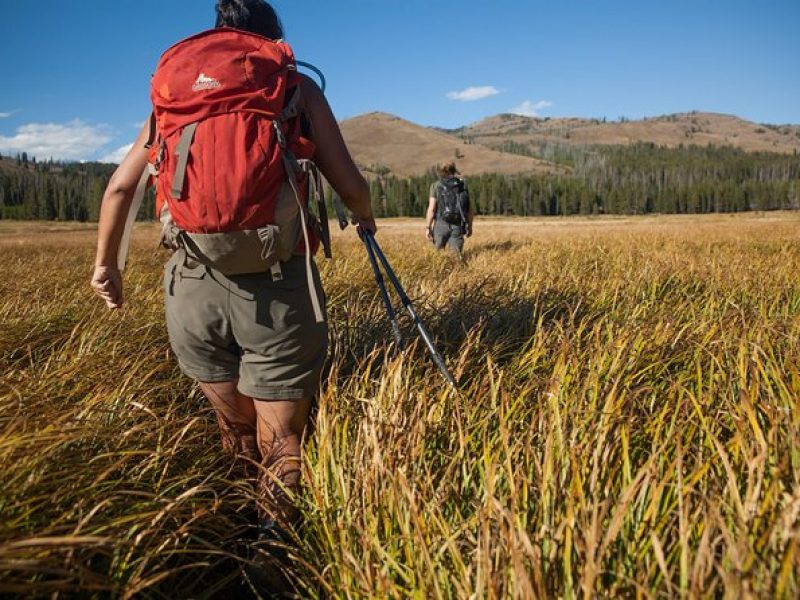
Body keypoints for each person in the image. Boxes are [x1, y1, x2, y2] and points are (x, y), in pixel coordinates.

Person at [90, 0, 375, 589]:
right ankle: (269, 567)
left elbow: (120, 188)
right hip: (276, 284)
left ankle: (229, 537)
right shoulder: (292, 86)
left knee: (236, 433)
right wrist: (365, 218)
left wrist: (105, 267)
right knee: (283, 440)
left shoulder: (175, 95)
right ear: (272, 40)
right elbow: (350, 184)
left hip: (190, 287)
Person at [425, 161, 473, 256]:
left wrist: (428, 227)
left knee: (436, 256)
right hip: (458, 226)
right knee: (456, 257)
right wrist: (470, 226)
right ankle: (457, 270)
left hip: (440, 224)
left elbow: (431, 209)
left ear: (440, 172)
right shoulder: (462, 185)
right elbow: (469, 209)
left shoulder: (436, 185)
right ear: (454, 170)